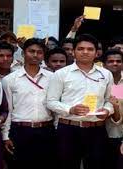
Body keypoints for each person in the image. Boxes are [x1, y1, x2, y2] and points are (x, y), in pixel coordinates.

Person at [47, 34, 114, 169]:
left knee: (96, 165)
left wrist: (107, 110)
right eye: (80, 48)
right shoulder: (61, 73)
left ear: (96, 53)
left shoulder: (106, 74)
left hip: (96, 129)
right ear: (73, 51)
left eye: (90, 49)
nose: (85, 52)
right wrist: (70, 109)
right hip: (68, 129)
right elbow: (50, 101)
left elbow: (110, 100)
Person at [2, 38, 55, 169]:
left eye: (39, 52)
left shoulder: (52, 78)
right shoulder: (9, 80)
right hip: (19, 131)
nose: (35, 55)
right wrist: (5, 135)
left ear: (43, 55)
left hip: (46, 131)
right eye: (31, 51)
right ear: (23, 53)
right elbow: (7, 109)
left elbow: (55, 107)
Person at [102, 49, 123, 169]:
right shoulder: (97, 82)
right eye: (110, 61)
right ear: (104, 64)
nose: (115, 63)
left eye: (118, 61)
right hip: (101, 133)